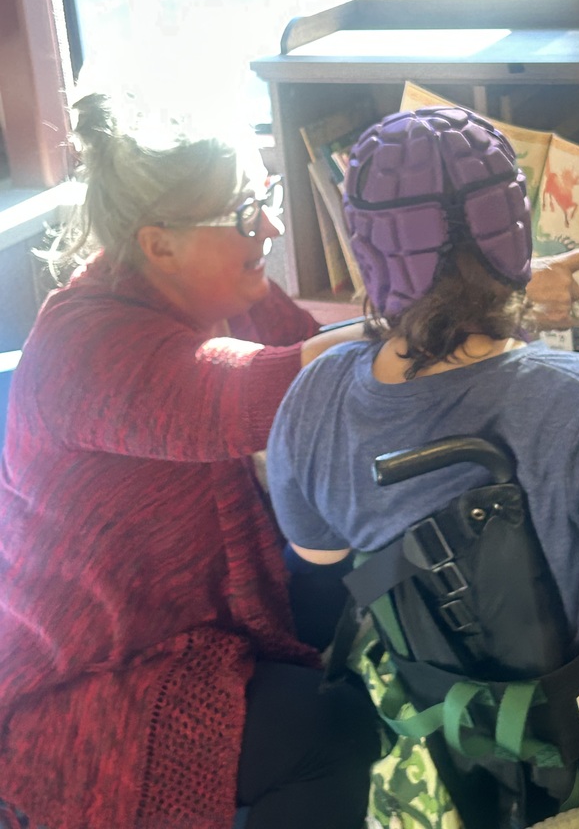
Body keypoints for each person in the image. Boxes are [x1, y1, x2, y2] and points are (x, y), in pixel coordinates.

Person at [267, 105, 579, 710]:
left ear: (368, 250)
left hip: (447, 730)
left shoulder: (315, 391)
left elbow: (321, 553)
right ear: (517, 232)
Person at [0, 93, 382, 829]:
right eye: (245, 214)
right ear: (159, 243)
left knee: (380, 587)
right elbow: (276, 389)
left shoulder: (229, 292)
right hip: (93, 680)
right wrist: (465, 314)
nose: (268, 226)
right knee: (326, 732)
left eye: (264, 197)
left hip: (203, 617)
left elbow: (326, 371)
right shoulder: (88, 345)